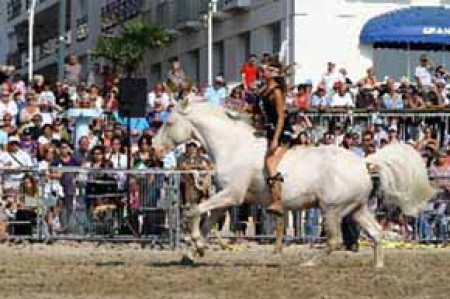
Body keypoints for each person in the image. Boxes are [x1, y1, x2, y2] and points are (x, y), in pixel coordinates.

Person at [259, 59, 293, 215]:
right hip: (270, 129)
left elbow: (280, 117)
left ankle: (277, 200)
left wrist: (275, 140)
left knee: (271, 163)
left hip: (282, 131)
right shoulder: (264, 90)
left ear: (272, 73)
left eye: (265, 69)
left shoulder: (276, 92)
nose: (262, 71)